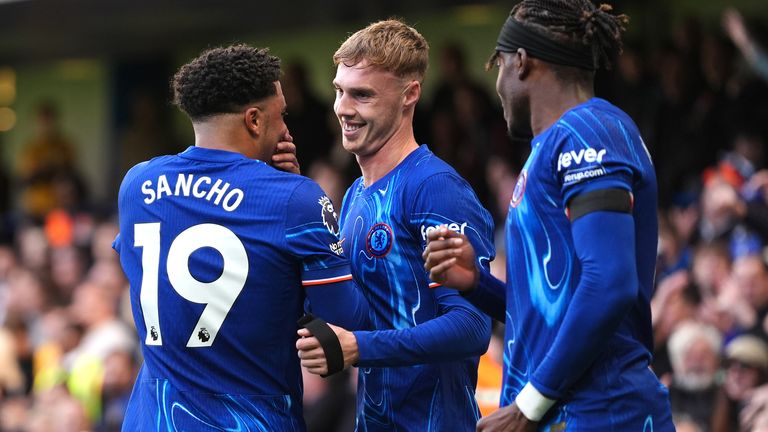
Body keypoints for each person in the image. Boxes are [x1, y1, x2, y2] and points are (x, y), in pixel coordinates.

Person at [422, 1, 675, 430]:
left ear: (521, 62)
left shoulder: (589, 133)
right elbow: (554, 308)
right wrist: (478, 284)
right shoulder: (557, 145)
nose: (498, 85)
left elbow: (610, 284)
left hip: (604, 412)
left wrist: (529, 406)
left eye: (497, 65)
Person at [112, 44, 368, 431]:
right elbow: (345, 323)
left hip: (153, 419)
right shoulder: (293, 199)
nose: (285, 128)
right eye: (281, 115)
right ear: (253, 120)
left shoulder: (136, 184)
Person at [295, 19, 495, 431]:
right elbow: (363, 317)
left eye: (362, 95)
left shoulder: (434, 187)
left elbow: (472, 326)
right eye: (339, 91)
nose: (343, 108)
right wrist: (289, 199)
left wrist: (359, 348)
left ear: (410, 95)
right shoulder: (354, 196)